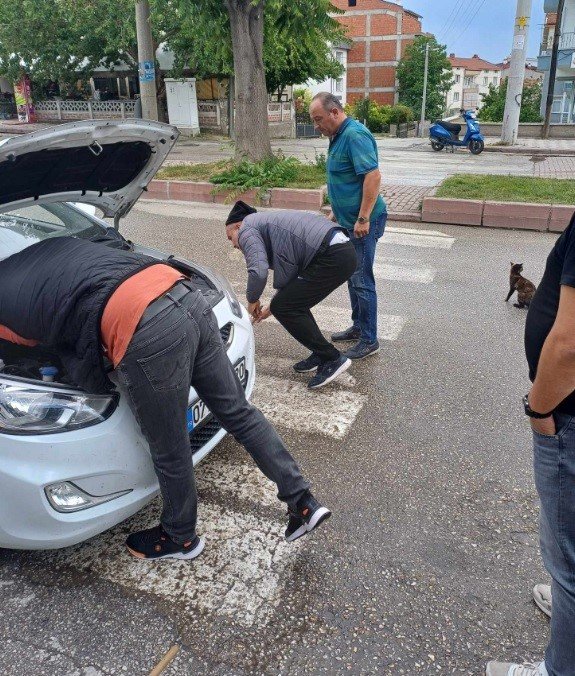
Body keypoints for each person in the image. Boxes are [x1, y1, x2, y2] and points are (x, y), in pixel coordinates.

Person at [0, 236, 332, 559]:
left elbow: (32, 344)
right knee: (238, 413)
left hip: (146, 328)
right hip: (184, 293)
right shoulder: (48, 245)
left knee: (169, 446)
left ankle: (179, 536)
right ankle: (303, 501)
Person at [487, 214, 575, 675]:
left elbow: (570, 342)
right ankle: (566, 609)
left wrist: (539, 410)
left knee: (567, 556)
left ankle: (557, 667)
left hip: (566, 412)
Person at [225, 201, 357, 389]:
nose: (232, 244)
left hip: (332, 255)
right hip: (338, 252)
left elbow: (258, 271)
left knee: (287, 306)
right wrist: (270, 309)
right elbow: (291, 283)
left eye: (230, 237)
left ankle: (332, 358)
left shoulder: (248, 228)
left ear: (238, 226)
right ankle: (320, 352)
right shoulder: (266, 227)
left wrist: (252, 300)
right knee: (290, 304)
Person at [309, 91, 387, 361]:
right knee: (352, 276)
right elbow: (345, 180)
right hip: (348, 220)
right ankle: (358, 326)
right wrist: (336, 211)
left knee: (362, 280)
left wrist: (363, 217)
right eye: (313, 120)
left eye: (319, 119)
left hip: (364, 223)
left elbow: (372, 176)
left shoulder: (354, 135)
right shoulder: (337, 136)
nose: (317, 126)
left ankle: (369, 339)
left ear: (334, 112)